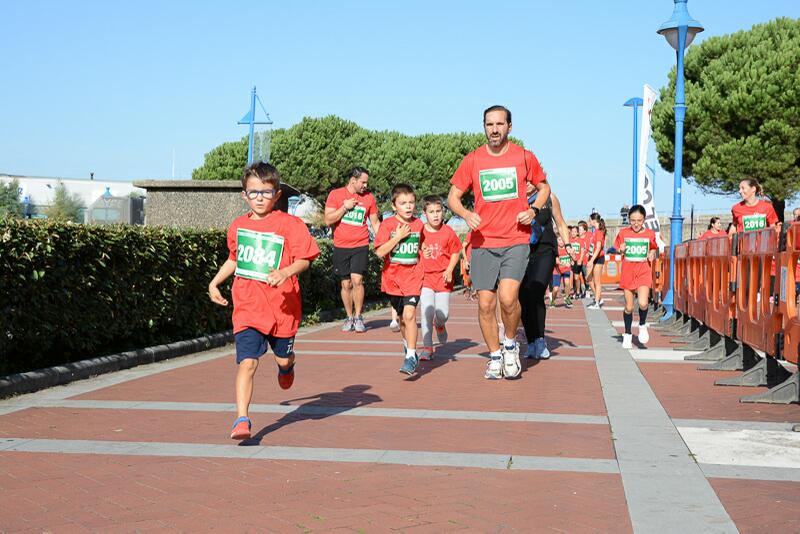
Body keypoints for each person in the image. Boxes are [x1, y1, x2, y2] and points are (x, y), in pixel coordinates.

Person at [208, 162, 321, 440]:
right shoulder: (238, 226)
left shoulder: (289, 224)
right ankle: (242, 419)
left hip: (283, 308)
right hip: (248, 307)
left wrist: (284, 272)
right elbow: (235, 259)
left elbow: (306, 259)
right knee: (247, 363)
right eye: (253, 192)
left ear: (277, 195)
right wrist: (214, 282)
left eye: (266, 192)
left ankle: (288, 364)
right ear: (244, 194)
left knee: (282, 360)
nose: (259, 197)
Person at [447, 105, 551, 380]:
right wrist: (466, 214)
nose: (494, 129)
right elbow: (453, 197)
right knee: (485, 304)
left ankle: (510, 344)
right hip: (483, 241)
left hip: (515, 238)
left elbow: (544, 187)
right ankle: (494, 356)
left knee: (508, 298)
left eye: (499, 124)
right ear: (484, 127)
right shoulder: (473, 160)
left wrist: (533, 211)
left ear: (509, 127)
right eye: (489, 124)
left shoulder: (524, 157)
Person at [374, 183, 425, 376]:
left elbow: (422, 244)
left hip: (413, 277)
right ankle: (408, 346)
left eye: (411, 202)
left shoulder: (419, 224)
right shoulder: (387, 225)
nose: (408, 206)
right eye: (403, 203)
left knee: (410, 315)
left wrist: (424, 250)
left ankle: (411, 356)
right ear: (394, 205)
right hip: (393, 280)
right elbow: (379, 252)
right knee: (403, 320)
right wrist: (399, 237)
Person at [324, 167, 381, 333]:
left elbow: (375, 223)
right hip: (341, 245)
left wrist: (385, 242)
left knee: (357, 280)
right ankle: (349, 317)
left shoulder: (369, 198)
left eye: (366, 182)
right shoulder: (335, 195)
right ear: (353, 180)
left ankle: (358, 316)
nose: (365, 185)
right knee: (346, 283)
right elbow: (328, 220)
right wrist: (344, 207)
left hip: (361, 244)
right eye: (363, 182)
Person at [519, 189, 571, 359]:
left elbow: (561, 223)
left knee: (537, 290)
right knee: (524, 296)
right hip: (521, 251)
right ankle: (531, 340)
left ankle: (540, 339)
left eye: (530, 179)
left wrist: (568, 245)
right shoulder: (515, 197)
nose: (527, 183)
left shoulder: (549, 198)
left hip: (545, 250)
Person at [418, 196, 462, 359]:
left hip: (443, 278)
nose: (435, 215)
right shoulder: (420, 231)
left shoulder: (448, 231)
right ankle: (427, 347)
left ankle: (440, 324)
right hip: (425, 278)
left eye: (438, 211)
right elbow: (413, 249)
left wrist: (450, 269)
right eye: (431, 212)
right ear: (425, 213)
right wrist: (421, 250)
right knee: (426, 312)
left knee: (443, 314)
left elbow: (456, 252)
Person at [614, 205, 657, 349]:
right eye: (633, 220)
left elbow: (653, 249)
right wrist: (621, 249)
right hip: (628, 272)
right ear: (629, 220)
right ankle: (627, 334)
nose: (636, 224)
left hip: (644, 271)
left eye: (639, 220)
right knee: (629, 306)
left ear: (644, 219)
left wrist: (652, 254)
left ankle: (642, 325)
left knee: (643, 303)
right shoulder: (623, 233)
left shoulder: (650, 234)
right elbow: (617, 248)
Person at [586, 213, 607, 309]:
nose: (589, 222)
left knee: (597, 282)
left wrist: (592, 260)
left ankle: (597, 303)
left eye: (589, 220)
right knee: (588, 278)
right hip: (594, 257)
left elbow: (598, 248)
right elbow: (593, 247)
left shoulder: (599, 232)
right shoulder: (595, 232)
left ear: (594, 221)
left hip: (598, 258)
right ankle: (599, 298)